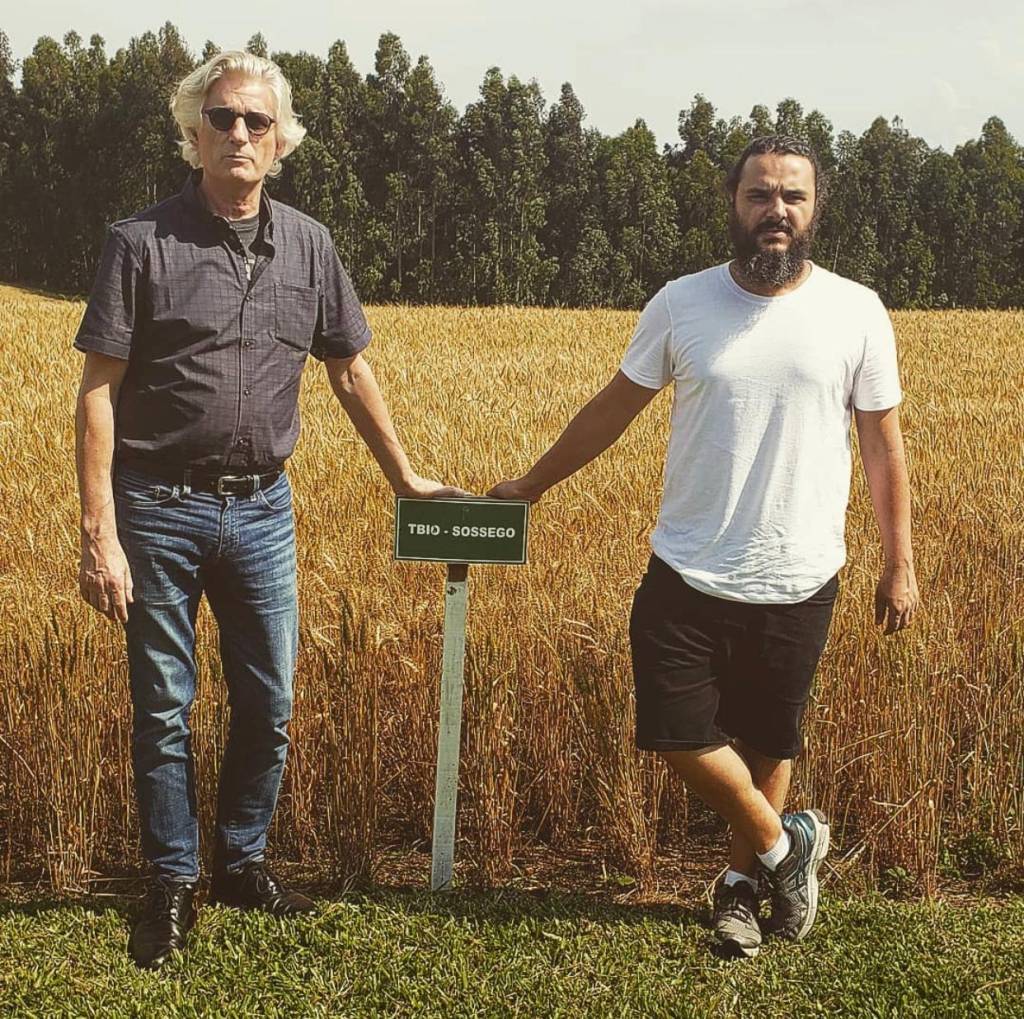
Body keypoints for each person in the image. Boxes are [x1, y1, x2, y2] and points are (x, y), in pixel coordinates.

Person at [73, 50, 461, 971]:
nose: (238, 134)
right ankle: (171, 882)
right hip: (156, 507)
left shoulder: (312, 245)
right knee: (164, 706)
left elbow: (348, 367)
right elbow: (98, 391)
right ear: (193, 133)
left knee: (272, 701)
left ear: (280, 139)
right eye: (221, 119)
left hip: (261, 512)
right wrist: (101, 536)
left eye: (255, 121)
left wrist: (404, 477)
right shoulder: (140, 243)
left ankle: (240, 861)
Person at [490, 136, 919, 958]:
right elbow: (615, 405)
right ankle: (789, 848)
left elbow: (883, 447)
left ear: (815, 208)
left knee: (769, 741)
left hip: (801, 574)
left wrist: (899, 560)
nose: (777, 211)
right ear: (734, 203)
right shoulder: (681, 303)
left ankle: (739, 891)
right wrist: (530, 484)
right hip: (687, 566)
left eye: (793, 196)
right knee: (673, 730)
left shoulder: (856, 310)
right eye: (760, 195)